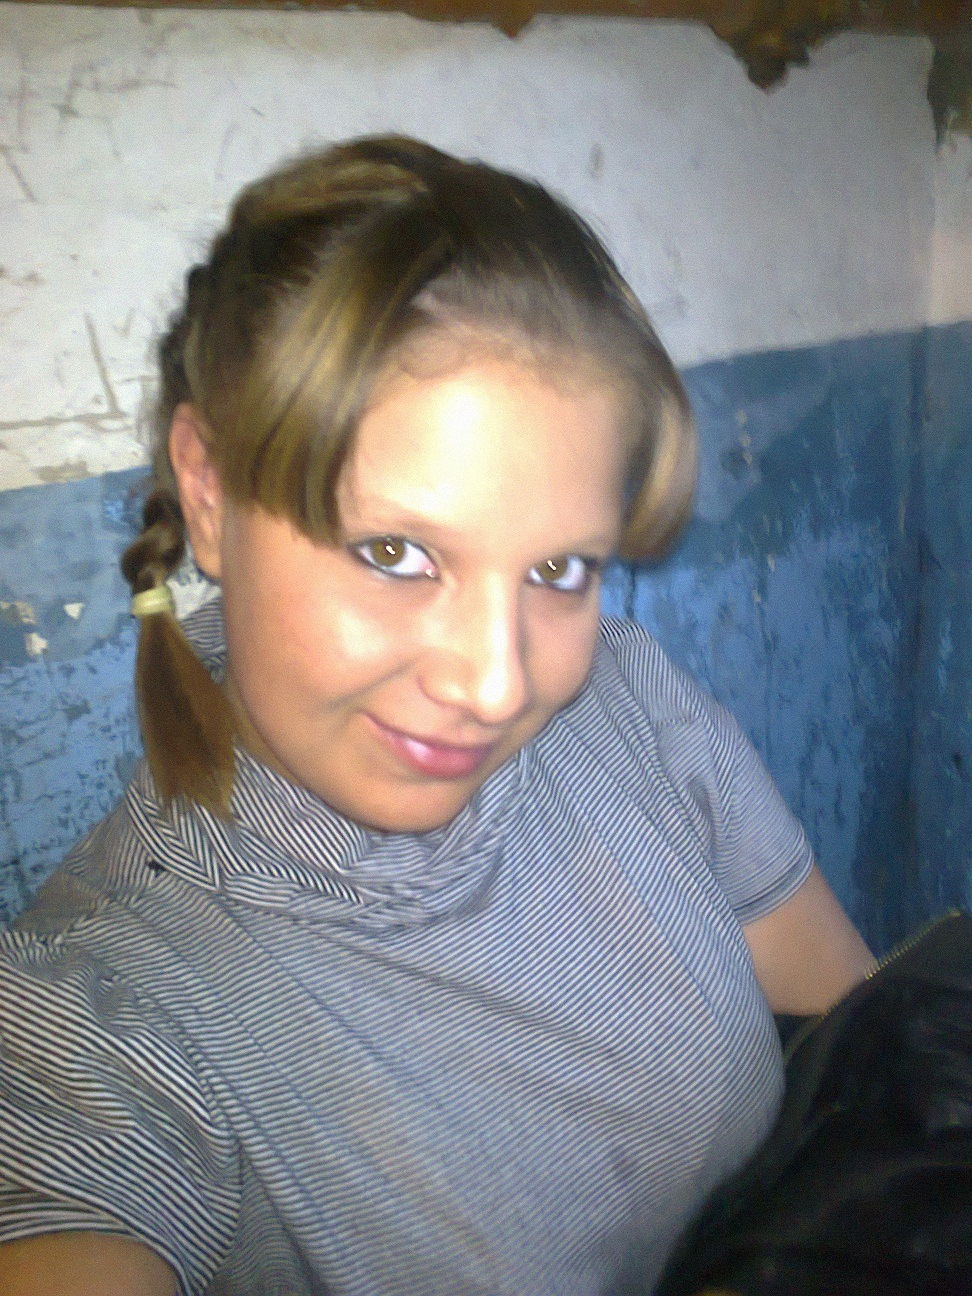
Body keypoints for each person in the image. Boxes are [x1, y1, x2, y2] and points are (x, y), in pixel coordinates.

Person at [0, 135, 874, 1296]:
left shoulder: (626, 696)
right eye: (395, 553)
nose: (497, 687)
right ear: (208, 493)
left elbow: (868, 1049)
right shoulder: (92, 1015)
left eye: (559, 569)